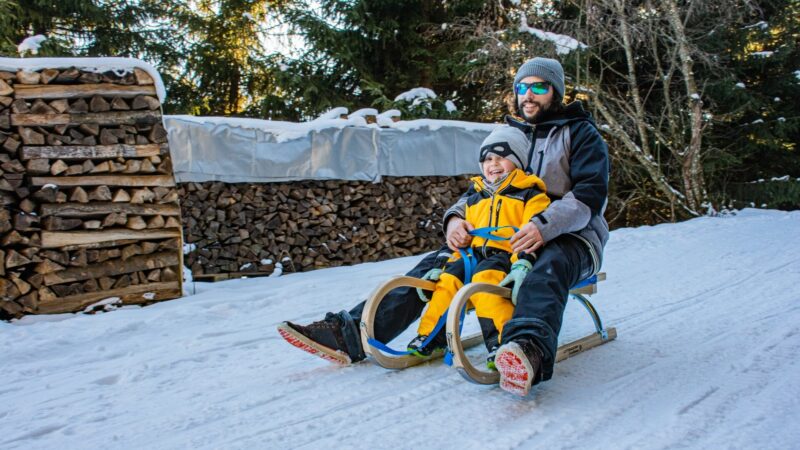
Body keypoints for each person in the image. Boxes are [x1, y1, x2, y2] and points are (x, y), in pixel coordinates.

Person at [278, 56, 610, 397]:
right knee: (438, 266)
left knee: (548, 266)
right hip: (501, 238)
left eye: (539, 87)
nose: (529, 94)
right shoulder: (509, 137)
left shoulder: (580, 133)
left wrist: (544, 225)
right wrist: (454, 221)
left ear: (555, 91)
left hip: (571, 236)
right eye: (522, 87)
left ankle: (526, 350)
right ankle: (347, 335)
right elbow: (475, 193)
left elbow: (589, 196)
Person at [406, 126, 550, 369]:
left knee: (486, 284)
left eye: (500, 158)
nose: (492, 164)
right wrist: (440, 265)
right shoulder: (475, 197)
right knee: (447, 282)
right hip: (471, 255)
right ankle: (432, 336)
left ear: (518, 161)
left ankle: (502, 343)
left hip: (503, 256)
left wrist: (524, 262)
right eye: (487, 159)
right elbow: (459, 239)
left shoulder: (531, 195)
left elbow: (533, 232)